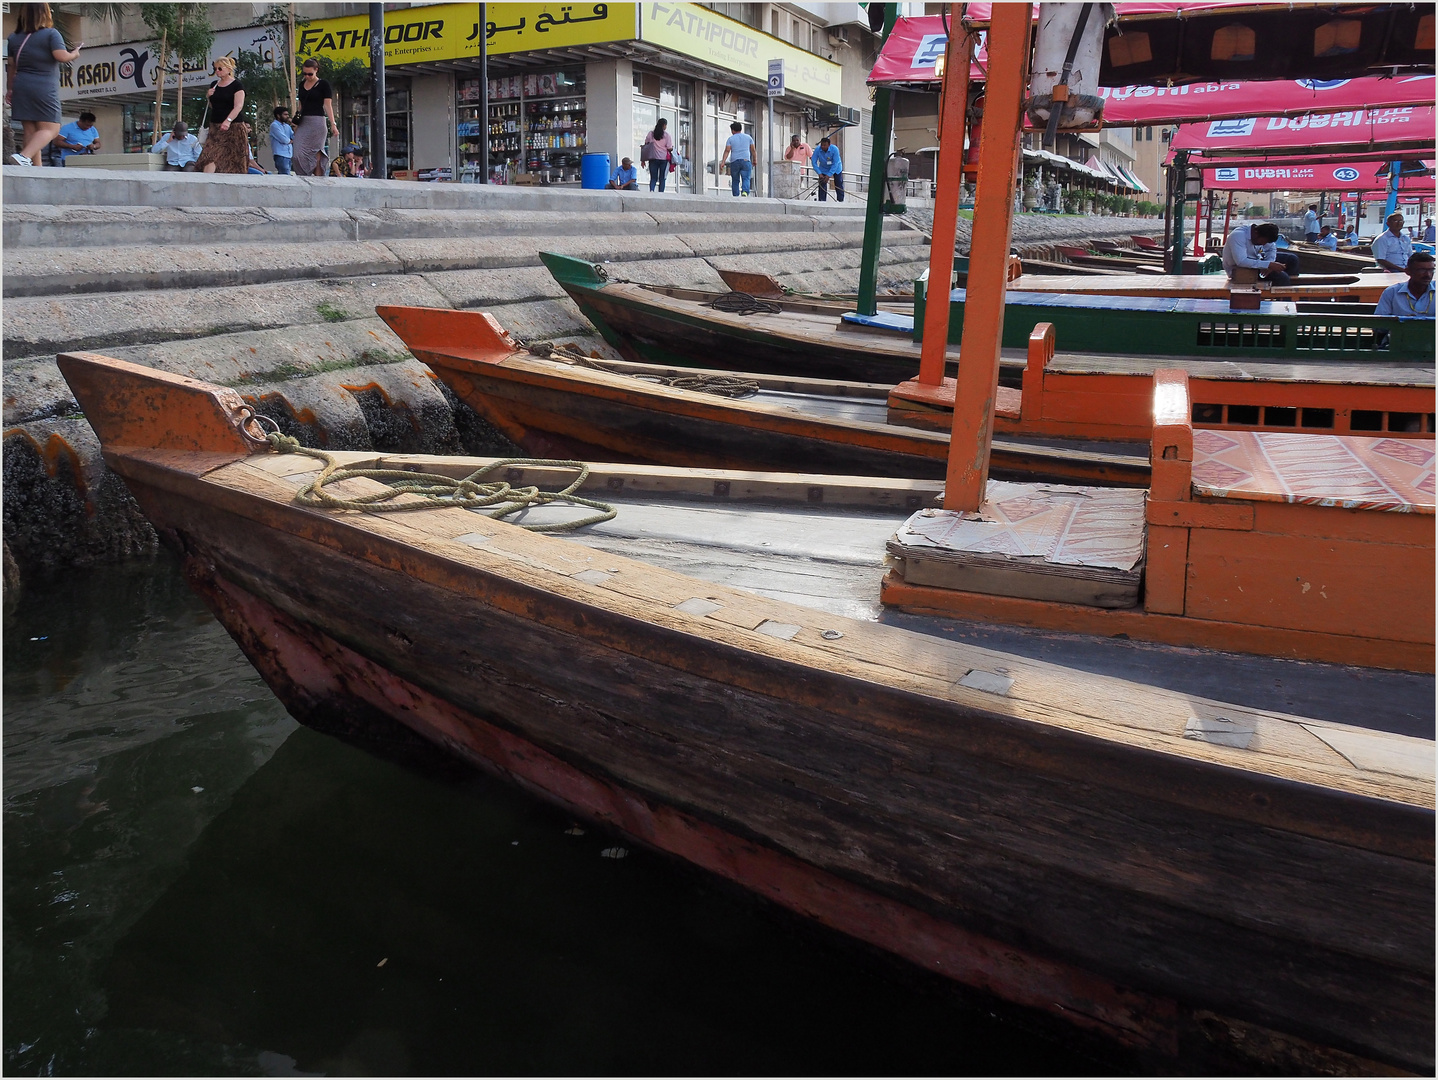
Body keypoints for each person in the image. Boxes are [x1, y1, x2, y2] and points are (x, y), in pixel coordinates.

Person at [5, 2, 83, 167]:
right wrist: (74, 54)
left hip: (21, 85)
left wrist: (9, 89)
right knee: (52, 129)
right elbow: (61, 56)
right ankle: (23, 155)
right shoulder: (51, 34)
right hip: (43, 86)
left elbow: (11, 66)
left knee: (31, 130)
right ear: (45, 13)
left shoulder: (13, 37)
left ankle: (36, 169)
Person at [194, 56, 249, 174]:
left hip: (234, 126)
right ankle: (207, 182)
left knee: (233, 159)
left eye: (220, 68)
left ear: (228, 69)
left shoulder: (237, 85)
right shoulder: (214, 84)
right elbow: (213, 106)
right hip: (215, 126)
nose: (217, 71)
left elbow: (238, 106)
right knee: (209, 155)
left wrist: (228, 120)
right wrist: (208, 96)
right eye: (215, 69)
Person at [293, 57, 339, 177]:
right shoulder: (302, 84)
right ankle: (304, 176)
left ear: (316, 70)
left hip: (318, 122)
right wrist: (296, 123)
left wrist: (333, 124)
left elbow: (328, 105)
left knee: (316, 153)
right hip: (304, 121)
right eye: (305, 74)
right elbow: (300, 105)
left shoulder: (323, 84)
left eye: (310, 74)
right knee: (297, 154)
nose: (307, 76)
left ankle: (319, 179)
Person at [1222, 221, 1299, 286]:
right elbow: (1241, 262)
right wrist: (1268, 264)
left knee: (1292, 259)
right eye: (1262, 242)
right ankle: (1285, 299)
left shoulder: (1263, 235)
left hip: (1256, 260)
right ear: (1256, 233)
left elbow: (1271, 248)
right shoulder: (1238, 236)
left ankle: (1290, 289)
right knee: (1283, 278)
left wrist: (1269, 263)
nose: (1263, 244)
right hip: (1239, 268)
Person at [1373, 251, 1435, 318]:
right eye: (1421, 270)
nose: (1428, 275)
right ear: (1408, 271)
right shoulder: (1391, 292)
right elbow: (1379, 324)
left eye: (1431, 270)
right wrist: (1401, 324)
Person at [719, 121, 753, 197]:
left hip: (734, 161)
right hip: (746, 160)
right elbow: (753, 150)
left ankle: (735, 195)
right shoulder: (748, 138)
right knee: (746, 178)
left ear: (733, 130)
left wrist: (723, 162)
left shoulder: (730, 139)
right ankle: (745, 192)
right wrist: (755, 160)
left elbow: (727, 151)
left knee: (735, 179)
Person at [640, 118, 673, 192]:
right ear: (664, 125)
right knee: (662, 178)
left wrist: (643, 160)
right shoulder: (667, 135)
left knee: (653, 177)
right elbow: (669, 148)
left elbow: (646, 145)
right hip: (663, 159)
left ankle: (652, 191)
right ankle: (661, 193)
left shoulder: (651, 134)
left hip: (653, 158)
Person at [811, 136, 844, 202]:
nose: (823, 147)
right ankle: (822, 200)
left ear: (829, 145)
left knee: (838, 183)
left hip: (836, 168)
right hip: (823, 168)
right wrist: (819, 173)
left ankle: (840, 200)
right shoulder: (817, 149)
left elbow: (835, 163)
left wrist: (829, 175)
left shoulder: (835, 149)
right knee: (822, 183)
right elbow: (813, 161)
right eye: (822, 145)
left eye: (825, 145)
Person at [269, 106, 294, 175]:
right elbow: (284, 140)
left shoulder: (287, 126)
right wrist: (290, 141)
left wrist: (295, 127)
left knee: (288, 174)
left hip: (289, 154)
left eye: (288, 115)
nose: (287, 116)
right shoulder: (274, 125)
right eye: (285, 115)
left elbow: (294, 137)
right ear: (278, 115)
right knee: (284, 175)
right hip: (280, 154)